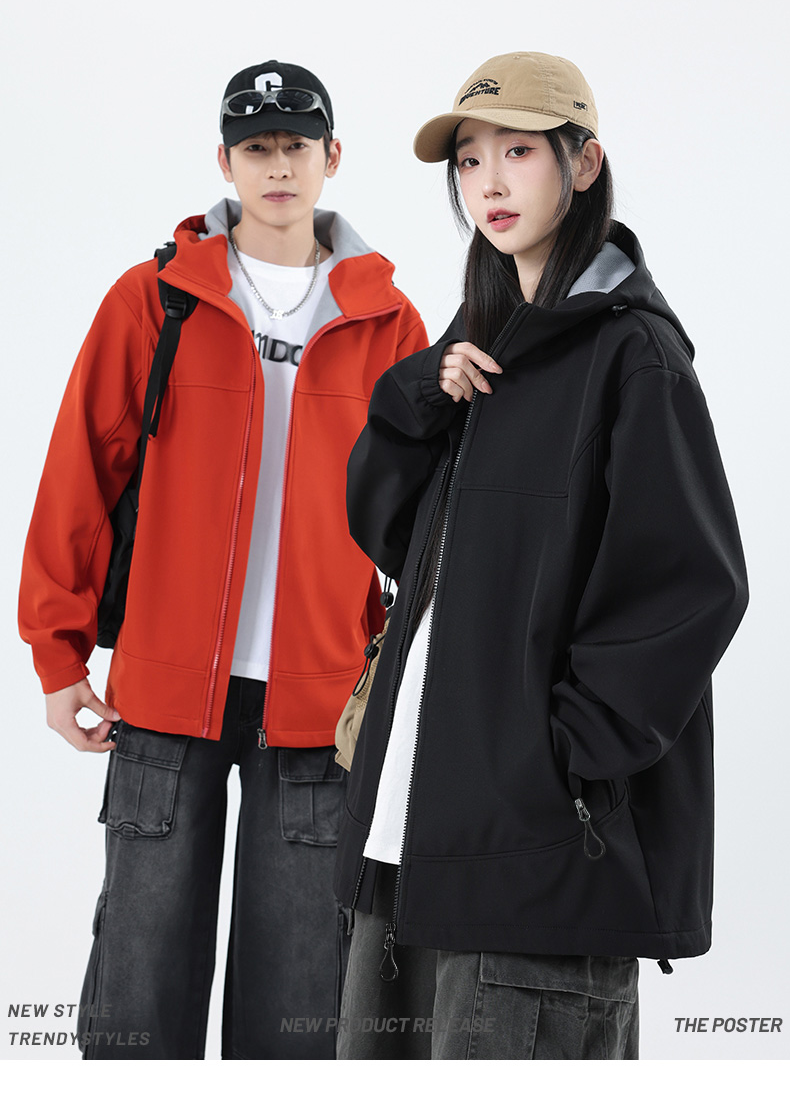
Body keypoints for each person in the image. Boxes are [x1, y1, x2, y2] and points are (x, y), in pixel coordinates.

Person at [333, 52, 749, 1060]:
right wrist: (419, 397)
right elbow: (390, 536)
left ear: (584, 163)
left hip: (540, 866)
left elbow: (694, 586)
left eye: (518, 151)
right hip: (408, 849)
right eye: (470, 158)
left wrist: (559, 760)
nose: (489, 181)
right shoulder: (480, 353)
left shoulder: (634, 356)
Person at [18, 59, 428, 1059]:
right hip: (164, 697)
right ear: (225, 161)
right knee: (137, 998)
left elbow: (419, 521)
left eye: (296, 145)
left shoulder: (390, 320)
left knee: (298, 1009)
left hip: (321, 703)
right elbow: (80, 473)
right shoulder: (156, 298)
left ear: (332, 156)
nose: (277, 165)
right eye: (256, 147)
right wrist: (58, 656)